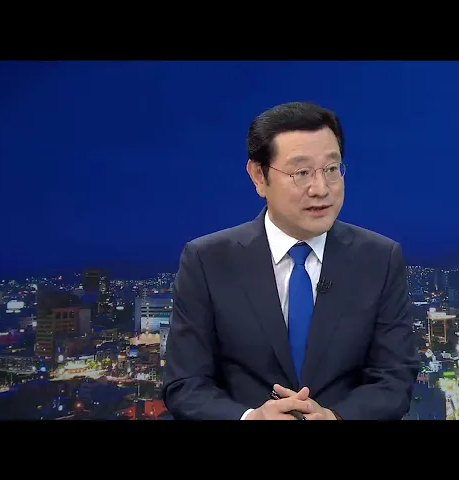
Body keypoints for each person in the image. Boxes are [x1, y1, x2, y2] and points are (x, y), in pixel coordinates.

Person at [162, 101, 419, 420]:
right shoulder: (207, 260)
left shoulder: (379, 258)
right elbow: (184, 384)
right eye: (301, 173)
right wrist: (250, 417)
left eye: (331, 169)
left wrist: (336, 417)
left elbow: (395, 379)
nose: (321, 189)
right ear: (259, 175)